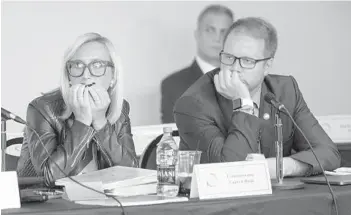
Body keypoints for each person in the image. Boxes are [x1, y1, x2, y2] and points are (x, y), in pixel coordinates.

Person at [174, 17, 341, 178]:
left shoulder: (285, 91)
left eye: (247, 61)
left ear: (267, 66)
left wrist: (279, 166)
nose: (235, 68)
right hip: (221, 205)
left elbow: (329, 153)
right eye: (229, 58)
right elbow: (231, 172)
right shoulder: (193, 103)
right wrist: (244, 104)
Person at [17, 33, 138, 186]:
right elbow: (48, 178)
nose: (86, 75)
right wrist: (82, 123)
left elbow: (132, 172)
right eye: (78, 65)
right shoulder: (43, 108)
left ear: (113, 76)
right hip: (48, 203)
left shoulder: (120, 108)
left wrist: (100, 122)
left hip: (102, 202)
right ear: (68, 76)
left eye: (98, 65)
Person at [161, 4, 234, 123]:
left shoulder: (245, 81)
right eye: (210, 30)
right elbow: (172, 137)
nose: (217, 38)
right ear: (197, 34)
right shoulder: (172, 85)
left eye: (224, 32)